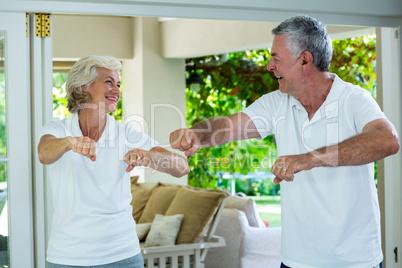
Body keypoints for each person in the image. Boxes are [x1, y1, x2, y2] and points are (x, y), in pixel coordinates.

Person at [170, 15, 399, 268]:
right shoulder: (277, 103)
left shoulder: (353, 99)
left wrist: (308, 159)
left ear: (305, 60)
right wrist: (197, 134)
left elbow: (387, 140)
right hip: (295, 261)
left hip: (354, 261)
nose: (269, 66)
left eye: (275, 58)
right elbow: (228, 127)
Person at [38, 55, 189, 268]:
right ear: (83, 87)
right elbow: (44, 153)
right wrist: (69, 143)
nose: (117, 90)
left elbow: (181, 167)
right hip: (67, 256)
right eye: (108, 82)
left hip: (122, 255)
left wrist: (150, 156)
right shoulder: (58, 129)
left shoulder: (125, 134)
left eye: (118, 84)